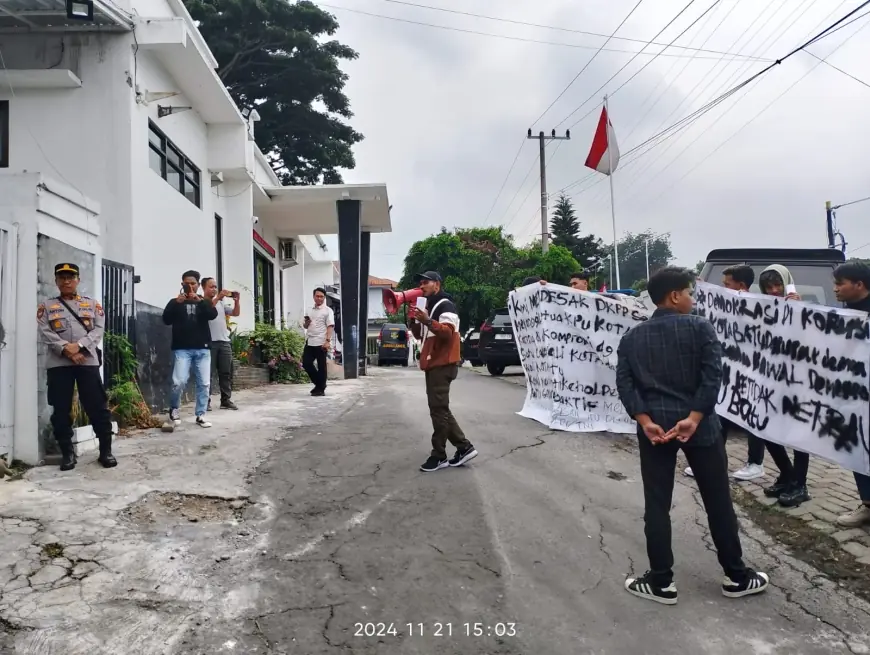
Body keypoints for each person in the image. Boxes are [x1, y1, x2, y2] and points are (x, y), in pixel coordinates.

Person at [616, 266, 768, 605]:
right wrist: (695, 417)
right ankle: (737, 576)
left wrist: (644, 420)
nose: (693, 299)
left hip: (655, 431)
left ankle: (660, 582)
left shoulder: (632, 338)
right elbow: (712, 377)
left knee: (657, 505)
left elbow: (625, 384)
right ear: (674, 296)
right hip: (702, 430)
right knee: (718, 502)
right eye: (690, 293)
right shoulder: (701, 328)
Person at [685, 264, 766, 481]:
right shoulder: (725, 306)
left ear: (740, 285)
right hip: (727, 371)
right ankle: (715, 461)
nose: (723, 288)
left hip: (751, 373)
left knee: (751, 418)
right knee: (720, 414)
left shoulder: (759, 307)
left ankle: (755, 463)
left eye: (726, 284)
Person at [37, 263, 117, 470]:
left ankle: (105, 452)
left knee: (97, 406)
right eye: (62, 277)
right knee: (61, 410)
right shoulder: (46, 306)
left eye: (70, 277)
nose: (66, 281)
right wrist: (66, 349)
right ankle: (67, 454)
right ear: (56, 281)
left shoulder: (91, 304)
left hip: (87, 360)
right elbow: (45, 331)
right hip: (59, 363)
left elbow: (99, 329)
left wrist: (80, 346)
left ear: (78, 280)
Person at [410, 271, 478, 472]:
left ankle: (439, 455)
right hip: (434, 363)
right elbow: (419, 335)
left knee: (438, 410)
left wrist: (427, 320)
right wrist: (414, 320)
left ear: (437, 285)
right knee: (440, 409)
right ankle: (463, 447)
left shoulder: (446, 305)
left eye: (425, 283)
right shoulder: (430, 307)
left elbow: (447, 333)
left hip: (442, 363)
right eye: (420, 283)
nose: (421, 287)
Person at [755, 265, 811, 507]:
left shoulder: (804, 307)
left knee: (798, 434)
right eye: (769, 287)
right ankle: (787, 475)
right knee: (765, 429)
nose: (775, 291)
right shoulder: (760, 308)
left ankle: (800, 484)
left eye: (778, 285)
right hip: (770, 379)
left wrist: (799, 309)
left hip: (798, 381)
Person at [832, 261, 870, 527]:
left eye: (840, 283)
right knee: (858, 449)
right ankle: (868, 504)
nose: (835, 289)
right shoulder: (842, 313)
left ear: (859, 285)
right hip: (853, 397)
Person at [162, 270, 217, 429]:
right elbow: (166, 320)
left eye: (193, 283)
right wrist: (175, 304)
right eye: (187, 283)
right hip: (182, 348)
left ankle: (200, 415)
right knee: (178, 381)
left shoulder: (203, 302)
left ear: (199, 285)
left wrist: (200, 302)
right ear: (182, 284)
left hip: (203, 349)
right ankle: (174, 410)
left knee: (204, 383)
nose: (190, 286)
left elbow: (212, 315)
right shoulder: (175, 302)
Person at [202, 278, 240, 411]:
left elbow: (235, 313)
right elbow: (207, 309)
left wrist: (237, 301)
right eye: (211, 286)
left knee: (225, 373)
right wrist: (218, 297)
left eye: (215, 286)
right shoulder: (202, 302)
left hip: (224, 342)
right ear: (204, 288)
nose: (214, 289)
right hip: (209, 342)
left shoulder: (221, 304)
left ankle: (226, 400)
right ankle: (205, 401)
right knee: (208, 374)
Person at [302, 287, 334, 397]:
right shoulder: (309, 309)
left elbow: (330, 326)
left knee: (321, 367)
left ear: (324, 298)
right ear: (313, 297)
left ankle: (320, 389)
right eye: (317, 296)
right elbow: (305, 325)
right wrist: (306, 323)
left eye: (321, 296)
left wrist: (327, 341)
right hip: (310, 340)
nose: (319, 298)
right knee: (306, 363)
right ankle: (320, 384)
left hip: (321, 342)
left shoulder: (328, 311)